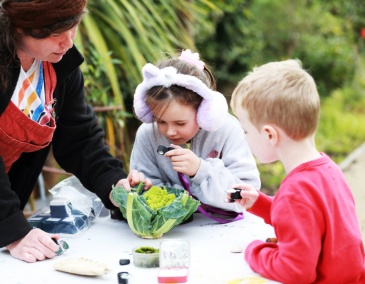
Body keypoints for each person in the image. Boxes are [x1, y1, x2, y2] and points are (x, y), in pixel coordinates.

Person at [0, 0, 150, 263]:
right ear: (18, 27)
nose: (68, 43)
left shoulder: (58, 66)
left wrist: (114, 183)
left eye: (74, 26)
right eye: (56, 34)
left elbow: (79, 138)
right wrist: (13, 229)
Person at [229, 59, 365, 283]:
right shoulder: (328, 170)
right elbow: (308, 218)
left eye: (245, 131)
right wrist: (261, 204)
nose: (244, 138)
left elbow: (295, 272)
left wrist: (255, 250)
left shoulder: (295, 192)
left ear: (270, 135)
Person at [130, 49, 260, 220]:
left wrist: (201, 171)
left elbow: (247, 196)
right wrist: (142, 188)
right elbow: (145, 196)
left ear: (205, 112)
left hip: (224, 231)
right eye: (160, 121)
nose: (170, 131)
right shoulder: (147, 134)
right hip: (169, 233)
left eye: (180, 123)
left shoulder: (227, 130)